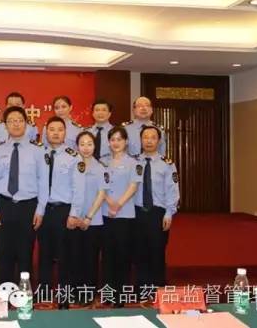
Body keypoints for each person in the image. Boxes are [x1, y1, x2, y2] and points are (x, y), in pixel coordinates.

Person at [0, 106, 49, 285]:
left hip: (28, 206)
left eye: (20, 120)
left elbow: (43, 182)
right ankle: (5, 294)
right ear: (5, 125)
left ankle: (24, 294)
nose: (16, 124)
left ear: (26, 124)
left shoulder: (38, 151)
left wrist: (40, 210)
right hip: (4, 205)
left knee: (25, 253)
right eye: (11, 121)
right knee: (4, 254)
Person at [37, 116, 80, 309]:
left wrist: (74, 213)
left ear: (65, 133)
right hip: (42, 210)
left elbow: (78, 188)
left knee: (65, 255)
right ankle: (44, 292)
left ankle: (64, 296)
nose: (55, 133)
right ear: (46, 132)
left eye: (59, 130)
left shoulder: (73, 156)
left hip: (63, 210)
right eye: (52, 129)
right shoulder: (38, 154)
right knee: (44, 253)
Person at [100, 126, 142, 308]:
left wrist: (118, 204)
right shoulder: (103, 162)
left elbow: (133, 186)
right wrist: (110, 202)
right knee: (107, 256)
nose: (116, 143)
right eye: (112, 139)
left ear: (126, 142)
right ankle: (108, 293)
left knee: (122, 256)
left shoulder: (134, 162)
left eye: (119, 139)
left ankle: (121, 295)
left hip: (125, 214)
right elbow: (99, 186)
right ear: (108, 142)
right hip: (105, 213)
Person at [134, 125, 180, 290]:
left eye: (153, 137)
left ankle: (157, 288)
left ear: (159, 141)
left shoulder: (167, 164)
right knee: (139, 251)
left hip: (157, 213)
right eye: (145, 137)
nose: (149, 141)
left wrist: (169, 213)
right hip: (137, 212)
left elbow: (172, 190)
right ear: (140, 140)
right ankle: (141, 288)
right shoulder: (133, 162)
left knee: (157, 250)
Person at [67, 131, 109, 306]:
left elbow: (102, 194)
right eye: (82, 144)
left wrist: (88, 217)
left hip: (93, 220)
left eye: (89, 144)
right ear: (77, 146)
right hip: (73, 218)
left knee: (90, 259)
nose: (86, 148)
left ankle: (88, 294)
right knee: (74, 256)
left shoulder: (101, 167)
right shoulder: (72, 164)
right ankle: (74, 292)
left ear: (95, 146)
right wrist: (73, 215)